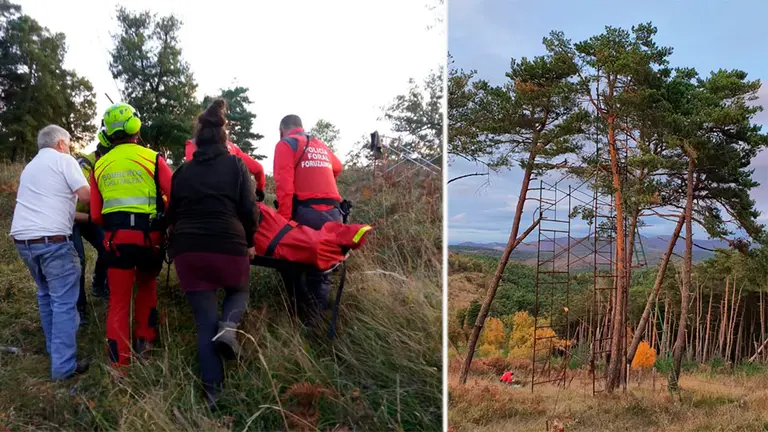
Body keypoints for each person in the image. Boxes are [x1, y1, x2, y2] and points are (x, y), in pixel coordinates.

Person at [167, 99, 258, 407]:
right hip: (229, 244)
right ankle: (229, 327)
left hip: (189, 251)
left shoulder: (182, 172)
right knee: (239, 290)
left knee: (204, 321)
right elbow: (249, 209)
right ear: (224, 138)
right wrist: (250, 240)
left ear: (196, 140)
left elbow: (172, 215)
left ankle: (212, 393)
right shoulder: (236, 165)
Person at [88, 102, 173, 371]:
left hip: (116, 242)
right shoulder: (153, 159)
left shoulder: (99, 166)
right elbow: (175, 198)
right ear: (136, 127)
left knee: (118, 300)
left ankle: (118, 364)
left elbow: (96, 216)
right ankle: (145, 344)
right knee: (147, 287)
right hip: (150, 241)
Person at [9, 124, 91, 380]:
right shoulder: (64, 161)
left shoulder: (30, 167)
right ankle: (64, 368)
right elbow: (87, 196)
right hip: (53, 242)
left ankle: (53, 350)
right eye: (68, 143)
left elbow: (53, 207)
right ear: (60, 144)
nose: (69, 148)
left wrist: (89, 220)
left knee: (46, 294)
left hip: (24, 241)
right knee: (64, 303)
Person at [272, 114, 343, 327]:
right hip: (335, 214)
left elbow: (284, 187)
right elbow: (337, 167)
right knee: (322, 267)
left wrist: (283, 224)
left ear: (282, 130)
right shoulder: (320, 144)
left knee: (291, 262)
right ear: (301, 127)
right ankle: (318, 321)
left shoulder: (286, 144)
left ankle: (301, 315)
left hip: (307, 213)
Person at [72, 148, 110, 323]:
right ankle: (79, 308)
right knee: (78, 260)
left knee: (107, 247)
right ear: (99, 156)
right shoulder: (81, 166)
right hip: (70, 218)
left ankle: (99, 285)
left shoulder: (107, 165)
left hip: (89, 216)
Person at [185, 132, 266, 202]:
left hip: (201, 203)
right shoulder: (232, 147)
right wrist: (259, 190)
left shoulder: (192, 144)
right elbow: (258, 169)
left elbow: (191, 172)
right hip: (232, 205)